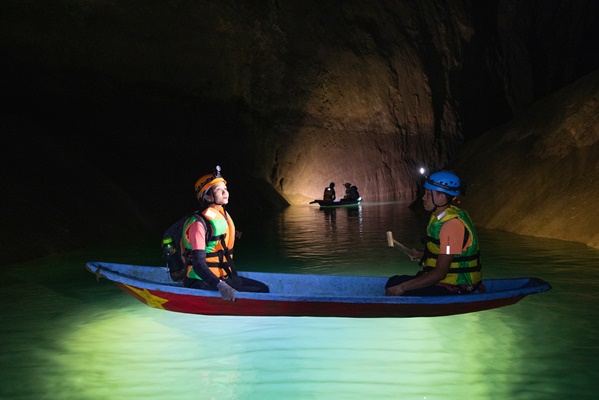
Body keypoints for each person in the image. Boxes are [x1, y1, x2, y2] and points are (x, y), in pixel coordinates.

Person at [385, 170, 483, 296]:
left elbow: (440, 273)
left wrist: (402, 288)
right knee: (393, 281)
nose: (423, 197)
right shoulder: (440, 217)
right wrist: (422, 254)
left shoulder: (451, 226)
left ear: (441, 197)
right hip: (444, 279)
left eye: (428, 194)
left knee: (396, 286)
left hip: (457, 285)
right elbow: (445, 252)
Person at [182, 165, 269, 301]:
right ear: (207, 197)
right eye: (218, 190)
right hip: (201, 281)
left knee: (263, 290)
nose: (225, 192)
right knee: (256, 295)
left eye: (225, 189)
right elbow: (198, 265)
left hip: (224, 276)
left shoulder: (223, 216)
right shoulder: (198, 224)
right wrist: (220, 285)